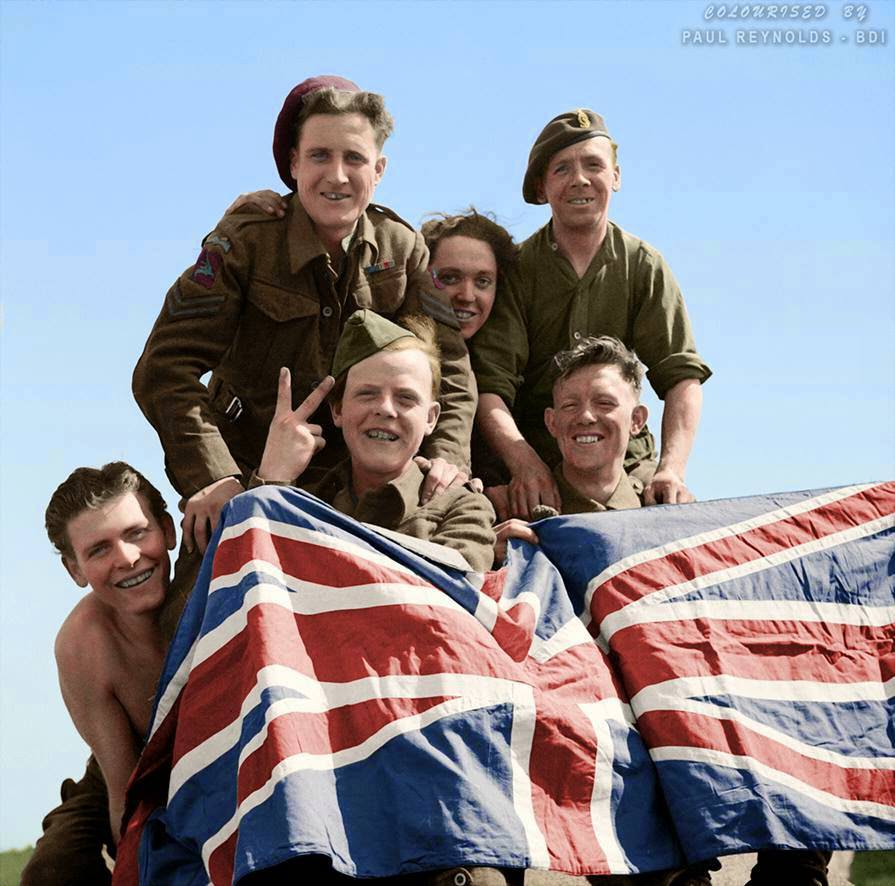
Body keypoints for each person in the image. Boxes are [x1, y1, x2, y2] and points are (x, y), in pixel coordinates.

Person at [494, 338, 832, 886]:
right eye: (573, 406)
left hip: (678, 735)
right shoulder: (508, 511)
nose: (588, 417)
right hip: (589, 748)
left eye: (604, 403)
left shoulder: (674, 524)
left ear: (637, 418)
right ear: (551, 424)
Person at [132, 75, 476, 565]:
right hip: (249, 472)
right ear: (293, 163)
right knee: (203, 615)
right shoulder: (245, 244)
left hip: (357, 484)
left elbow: (453, 365)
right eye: (319, 156)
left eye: (354, 158)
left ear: (378, 170)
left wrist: (448, 454)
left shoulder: (403, 250)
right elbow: (164, 368)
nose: (336, 175)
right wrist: (214, 477)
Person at [470, 108, 712, 521]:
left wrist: (671, 470)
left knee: (671, 535)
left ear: (615, 177)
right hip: (535, 463)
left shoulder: (644, 266)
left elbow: (681, 377)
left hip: (623, 463)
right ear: (543, 187)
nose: (579, 179)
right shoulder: (516, 270)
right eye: (562, 168)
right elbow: (492, 386)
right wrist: (525, 465)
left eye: (594, 165)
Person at [22, 463, 176, 886]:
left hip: (210, 753)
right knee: (52, 870)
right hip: (126, 767)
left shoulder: (212, 591)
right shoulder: (81, 643)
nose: (127, 558)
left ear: (169, 531)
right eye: (98, 550)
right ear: (75, 571)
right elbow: (124, 792)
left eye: (136, 533)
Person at [255, 309, 495, 574]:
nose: (385, 409)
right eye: (367, 394)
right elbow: (252, 581)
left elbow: (447, 600)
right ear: (338, 410)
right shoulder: (305, 503)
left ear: (431, 418)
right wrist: (271, 482)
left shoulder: (461, 509)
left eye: (405, 398)